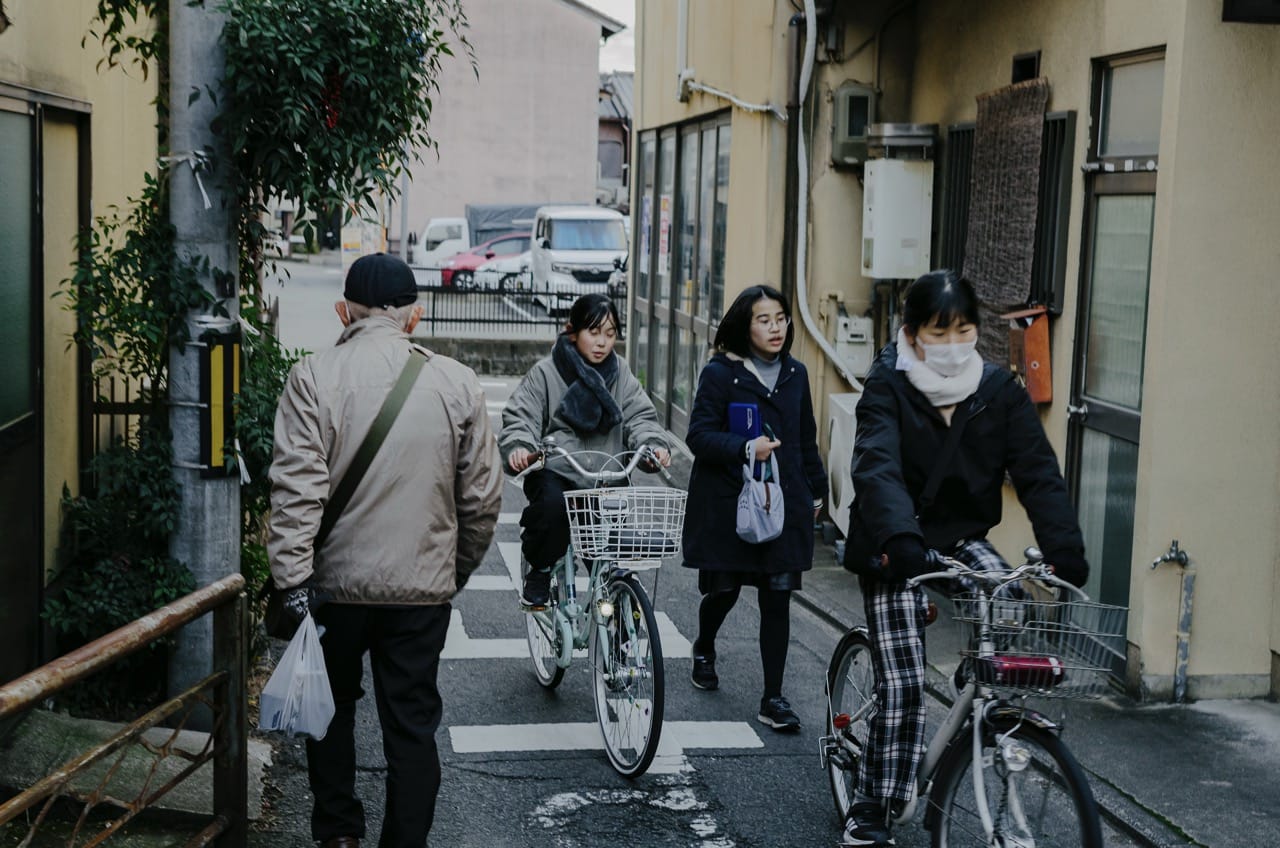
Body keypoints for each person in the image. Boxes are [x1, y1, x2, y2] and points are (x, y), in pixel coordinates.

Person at [841, 269, 1088, 847]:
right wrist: (900, 540)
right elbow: (876, 465)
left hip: (956, 538)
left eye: (964, 329)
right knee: (902, 685)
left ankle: (972, 710)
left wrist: (1064, 548)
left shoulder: (998, 390)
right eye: (938, 330)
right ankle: (873, 801)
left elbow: (1037, 471)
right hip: (892, 543)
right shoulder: (888, 386)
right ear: (912, 331)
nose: (953, 345)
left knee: (1010, 602)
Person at [268, 252, 503, 848]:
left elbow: (296, 492)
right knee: (412, 728)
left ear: (343, 311)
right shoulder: (455, 382)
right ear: (414, 317)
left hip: (334, 589)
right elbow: (481, 500)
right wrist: (452, 569)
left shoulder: (312, 377)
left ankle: (340, 836)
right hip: (420, 592)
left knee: (329, 713)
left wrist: (293, 582)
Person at [681, 285, 827, 732]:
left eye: (781, 318)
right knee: (724, 590)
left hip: (782, 504)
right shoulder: (720, 374)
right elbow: (698, 437)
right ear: (745, 326)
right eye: (764, 320)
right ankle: (704, 645)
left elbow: (805, 439)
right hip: (730, 504)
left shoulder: (796, 374)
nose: (776, 327)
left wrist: (817, 493)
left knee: (777, 596)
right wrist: (747, 447)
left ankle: (773, 697)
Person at [499, 293, 671, 608]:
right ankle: (539, 569)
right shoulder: (546, 372)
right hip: (558, 470)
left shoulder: (620, 372)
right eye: (593, 332)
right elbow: (522, 417)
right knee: (550, 511)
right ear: (572, 331)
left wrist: (654, 446)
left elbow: (640, 418)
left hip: (607, 474)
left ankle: (620, 641)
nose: (602, 342)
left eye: (610, 334)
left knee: (611, 566)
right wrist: (520, 447)